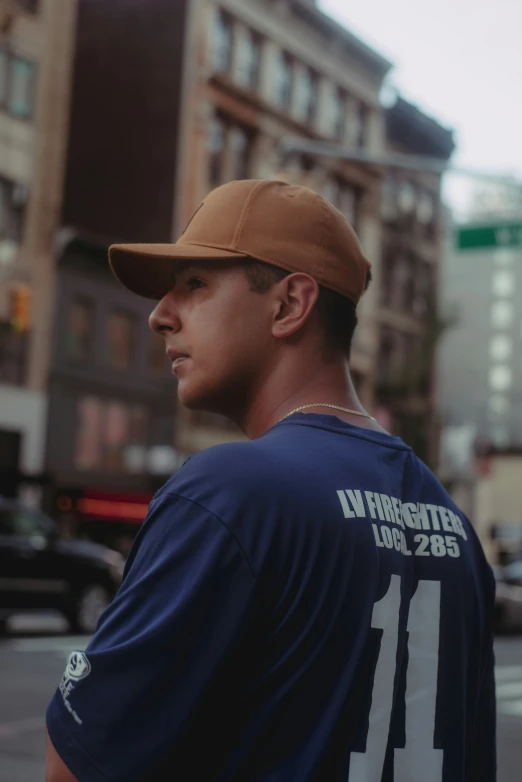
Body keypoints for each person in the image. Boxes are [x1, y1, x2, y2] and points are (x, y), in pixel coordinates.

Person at [45, 179, 496, 782]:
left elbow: (75, 769)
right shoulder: (454, 527)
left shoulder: (229, 494)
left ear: (289, 305)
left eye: (195, 284)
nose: (160, 315)